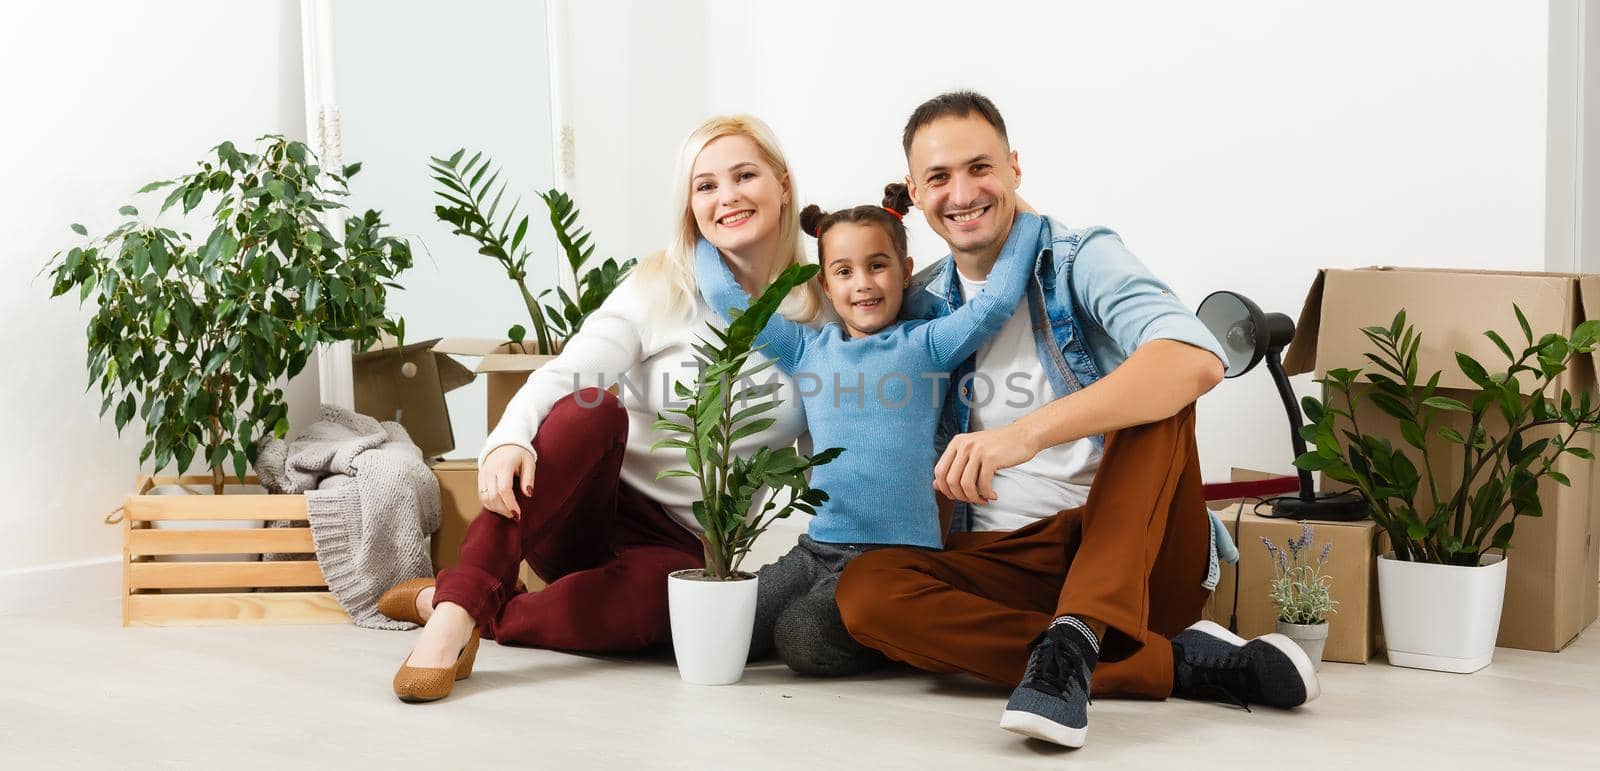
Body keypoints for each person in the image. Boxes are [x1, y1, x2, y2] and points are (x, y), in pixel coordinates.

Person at [833, 91, 1318, 748]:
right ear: (915, 193)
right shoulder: (920, 306)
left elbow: (1198, 360)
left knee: (1160, 383)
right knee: (864, 592)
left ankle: (1083, 628)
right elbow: (836, 337)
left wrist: (1022, 435)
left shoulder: (1078, 258)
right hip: (1017, 564)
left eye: (981, 168)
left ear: (1014, 170)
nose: (963, 190)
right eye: (940, 177)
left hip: (1141, 557)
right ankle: (1160, 660)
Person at [381, 114, 828, 703]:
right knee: (590, 409)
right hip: (584, 504)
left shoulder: (824, 312)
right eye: (706, 186)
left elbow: (823, 455)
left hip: (684, 545)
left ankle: (463, 602)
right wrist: (510, 437)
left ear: (783, 185)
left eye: (745, 176)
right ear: (690, 205)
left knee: (657, 618)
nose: (728, 197)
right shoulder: (661, 286)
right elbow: (570, 373)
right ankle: (455, 614)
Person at [697, 185, 1041, 676]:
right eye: (844, 271)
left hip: (894, 561)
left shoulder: (927, 345)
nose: (863, 283)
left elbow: (996, 302)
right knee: (720, 628)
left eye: (877, 265)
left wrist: (1026, 219)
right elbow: (726, 298)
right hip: (816, 550)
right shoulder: (805, 349)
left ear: (904, 271)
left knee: (801, 639)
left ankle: (891, 633)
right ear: (824, 285)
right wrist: (696, 231)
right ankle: (840, 619)